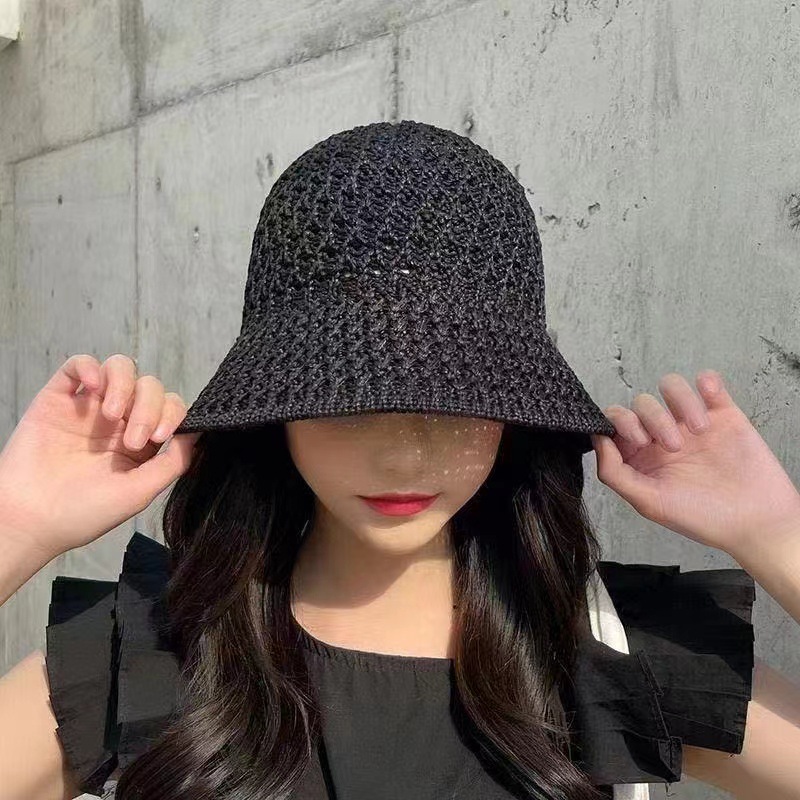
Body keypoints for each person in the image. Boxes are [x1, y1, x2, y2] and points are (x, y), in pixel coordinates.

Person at [0, 120, 799, 800]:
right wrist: (16, 526)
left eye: (454, 404)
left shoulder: (616, 650)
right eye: (348, 401)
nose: (402, 454)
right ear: (277, 408)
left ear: (512, 414)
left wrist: (777, 536)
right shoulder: (153, 646)